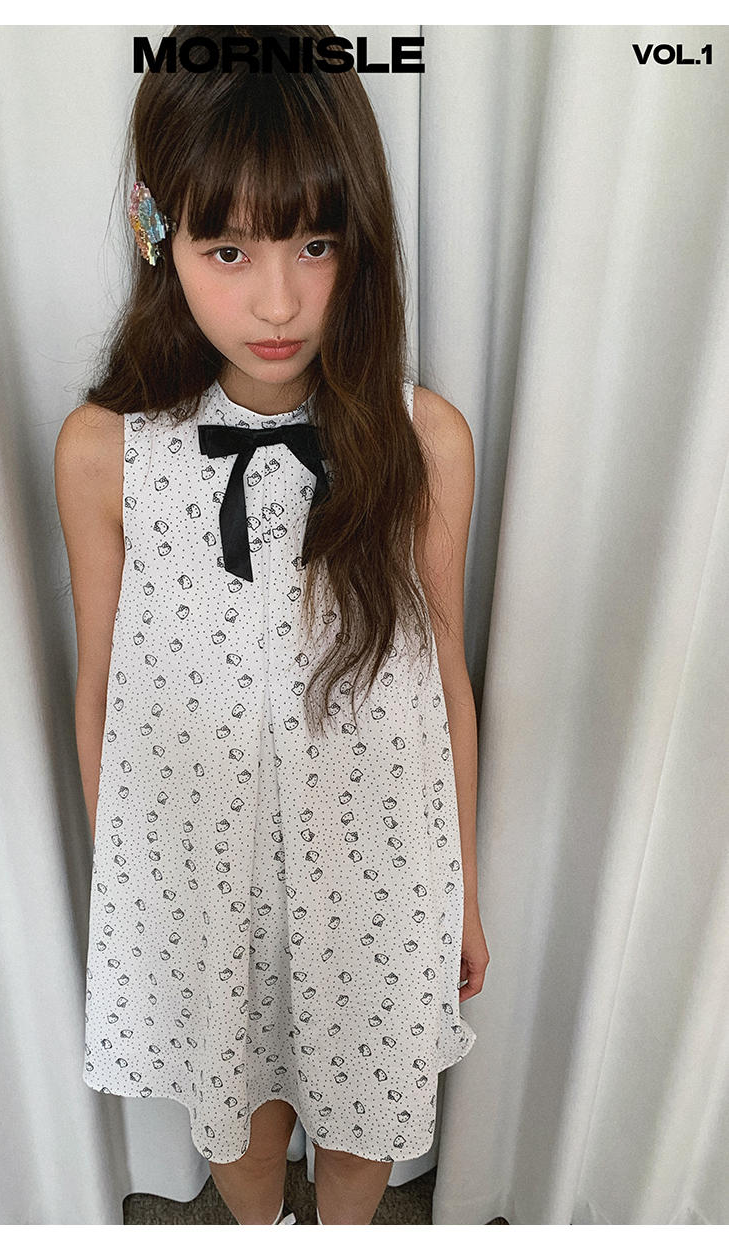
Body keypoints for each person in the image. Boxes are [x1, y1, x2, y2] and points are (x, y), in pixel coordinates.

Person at [55, 24, 488, 1226]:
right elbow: (104, 687)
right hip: (199, 877)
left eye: (316, 242)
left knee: (360, 1124)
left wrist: (460, 888)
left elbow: (445, 675)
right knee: (238, 1121)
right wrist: (133, 896)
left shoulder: (425, 439)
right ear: (158, 233)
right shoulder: (105, 453)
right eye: (229, 248)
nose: (281, 299)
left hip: (379, 868)